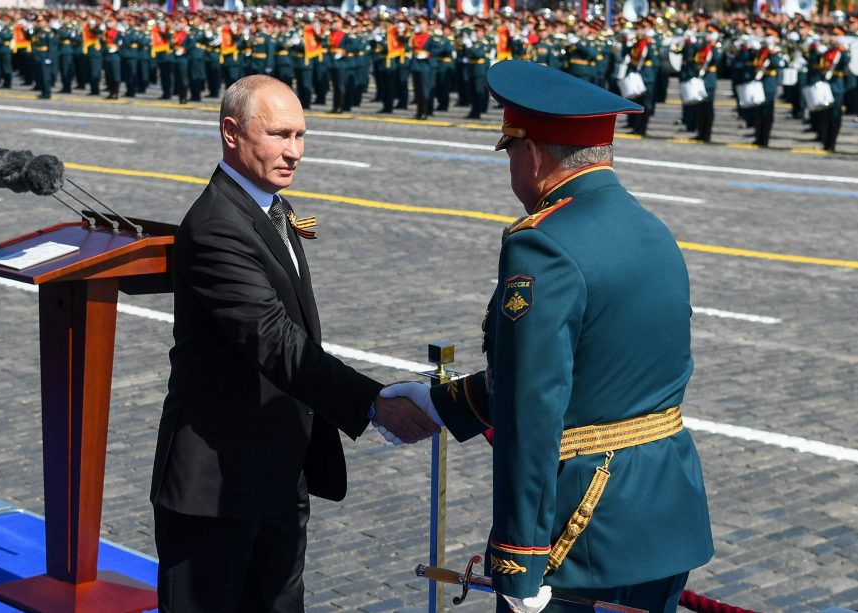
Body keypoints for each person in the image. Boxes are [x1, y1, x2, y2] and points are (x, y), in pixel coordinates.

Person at [384, 61, 713, 613]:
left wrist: (521, 558)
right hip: (665, 516)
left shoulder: (543, 244)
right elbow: (594, 371)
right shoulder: (653, 230)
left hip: (581, 532)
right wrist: (443, 403)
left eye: (511, 150)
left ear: (533, 153)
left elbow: (532, 406)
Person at [149, 75, 438, 612]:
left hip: (279, 472)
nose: (295, 151)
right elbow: (275, 340)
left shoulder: (271, 207)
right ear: (231, 133)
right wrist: (372, 402)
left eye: (300, 135)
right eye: (279, 134)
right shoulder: (216, 225)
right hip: (218, 485)